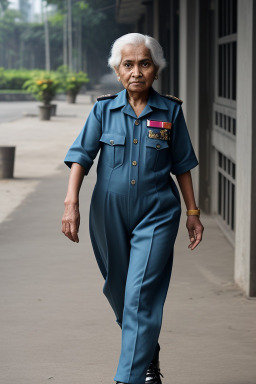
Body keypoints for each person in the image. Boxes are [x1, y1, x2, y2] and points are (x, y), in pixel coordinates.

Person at [62, 33, 204, 384]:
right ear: (117, 69)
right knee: (119, 289)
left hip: (157, 211)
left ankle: (130, 376)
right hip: (107, 214)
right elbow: (81, 156)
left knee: (140, 293)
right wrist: (71, 204)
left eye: (145, 63)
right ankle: (149, 352)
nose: (136, 71)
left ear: (156, 70)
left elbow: (181, 164)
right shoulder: (103, 109)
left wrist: (192, 212)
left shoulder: (171, 111)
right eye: (129, 64)